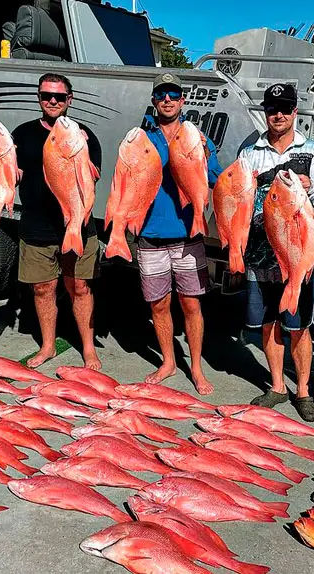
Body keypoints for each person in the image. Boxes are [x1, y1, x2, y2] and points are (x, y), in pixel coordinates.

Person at [238, 83, 314, 422]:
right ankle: (278, 385)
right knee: (266, 323)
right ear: (265, 112)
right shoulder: (250, 151)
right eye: (271, 108)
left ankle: (303, 391)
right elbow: (238, 197)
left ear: (295, 112)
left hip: (297, 254)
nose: (277, 114)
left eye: (284, 108)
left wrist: (311, 187)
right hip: (260, 253)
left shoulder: (313, 151)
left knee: (299, 326)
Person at [136, 72, 222, 394]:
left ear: (182, 100)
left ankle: (196, 368)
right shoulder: (144, 138)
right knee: (158, 305)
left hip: (189, 234)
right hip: (150, 233)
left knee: (191, 305)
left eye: (173, 94)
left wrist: (206, 154)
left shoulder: (197, 138)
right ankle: (169, 362)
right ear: (155, 101)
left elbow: (215, 179)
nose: (167, 99)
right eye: (161, 94)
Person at [12, 73, 102, 370]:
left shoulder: (85, 136)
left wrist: (83, 152)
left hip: (76, 226)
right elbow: (11, 175)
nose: (52, 101)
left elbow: (92, 182)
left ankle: (88, 350)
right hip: (37, 228)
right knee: (42, 288)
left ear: (70, 100)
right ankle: (48, 346)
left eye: (59, 97)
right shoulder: (22, 134)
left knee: (80, 288)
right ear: (38, 98)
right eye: (46, 95)